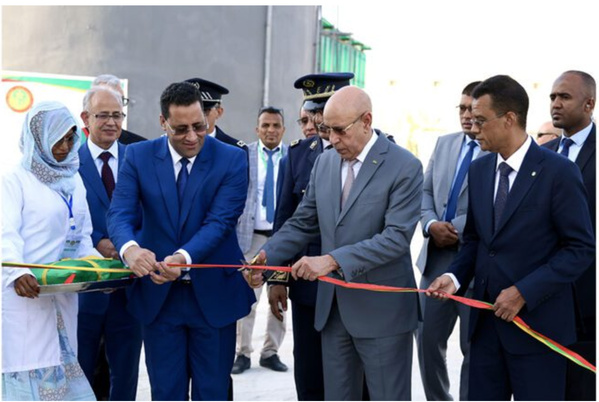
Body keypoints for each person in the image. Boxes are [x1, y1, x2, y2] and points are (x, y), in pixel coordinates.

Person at [247, 86, 423, 400]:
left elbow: (395, 239)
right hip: (333, 312)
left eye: (340, 131)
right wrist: (267, 256)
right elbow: (302, 222)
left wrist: (331, 261)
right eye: (328, 131)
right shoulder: (326, 163)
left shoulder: (404, 166)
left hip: (382, 312)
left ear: (367, 121)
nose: (332, 139)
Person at [426, 75, 595, 400]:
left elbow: (579, 249)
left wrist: (523, 292)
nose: (473, 129)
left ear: (509, 119)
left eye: (480, 120)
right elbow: (475, 241)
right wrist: (453, 276)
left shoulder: (558, 172)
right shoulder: (480, 170)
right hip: (486, 331)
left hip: (538, 330)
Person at [106, 82, 255, 401]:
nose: (192, 136)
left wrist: (182, 258)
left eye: (199, 126)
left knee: (212, 392)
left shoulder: (232, 159)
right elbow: (119, 213)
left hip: (214, 297)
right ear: (163, 123)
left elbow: (220, 222)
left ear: (208, 117)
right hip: (159, 298)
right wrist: (130, 250)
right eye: (181, 129)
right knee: (165, 392)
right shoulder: (137, 156)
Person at [2, 101, 97, 401]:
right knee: (30, 373)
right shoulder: (14, 180)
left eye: (71, 138)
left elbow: (82, 237)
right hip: (24, 295)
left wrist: (100, 271)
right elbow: (5, 233)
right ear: (38, 136)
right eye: (58, 137)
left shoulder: (74, 180)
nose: (65, 146)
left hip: (61, 297)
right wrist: (17, 272)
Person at [269, 72, 353, 400]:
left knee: (352, 378)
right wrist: (277, 278)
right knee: (310, 374)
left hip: (353, 284)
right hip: (308, 288)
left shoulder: (380, 154)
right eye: (312, 113)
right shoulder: (299, 154)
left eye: (323, 111)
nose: (316, 121)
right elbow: (286, 219)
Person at [415, 81, 483, 401]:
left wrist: (451, 227)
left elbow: (493, 207)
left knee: (473, 348)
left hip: (474, 265)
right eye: (462, 108)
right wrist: (430, 225)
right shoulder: (444, 144)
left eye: (473, 109)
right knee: (427, 341)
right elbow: (425, 192)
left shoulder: (495, 148)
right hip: (436, 259)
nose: (466, 115)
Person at [77, 86, 142, 401]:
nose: (111, 122)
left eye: (117, 115)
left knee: (125, 376)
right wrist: (98, 242)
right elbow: (62, 219)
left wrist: (130, 245)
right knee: (80, 372)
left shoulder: (137, 159)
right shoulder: (69, 162)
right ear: (86, 118)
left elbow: (152, 214)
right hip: (83, 290)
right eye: (103, 115)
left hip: (129, 290)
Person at [543, 70, 596, 401]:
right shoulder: (544, 153)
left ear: (589, 103)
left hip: (587, 296)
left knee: (579, 387)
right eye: (552, 97)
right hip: (544, 292)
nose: (555, 104)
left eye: (564, 97)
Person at [232, 106, 289, 374]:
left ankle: (271, 351)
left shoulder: (292, 156)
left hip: (281, 239)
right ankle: (242, 352)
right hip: (251, 237)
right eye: (265, 125)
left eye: (276, 125)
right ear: (257, 129)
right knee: (247, 296)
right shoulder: (244, 155)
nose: (270, 130)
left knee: (278, 296)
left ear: (283, 129)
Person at [185, 77, 248, 153]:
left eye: (204, 111)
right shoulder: (171, 145)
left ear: (219, 112)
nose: (196, 117)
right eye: (189, 111)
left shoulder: (236, 150)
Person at [90, 74, 147, 145]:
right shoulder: (75, 142)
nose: (115, 105)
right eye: (107, 99)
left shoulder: (140, 146)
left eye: (120, 100)